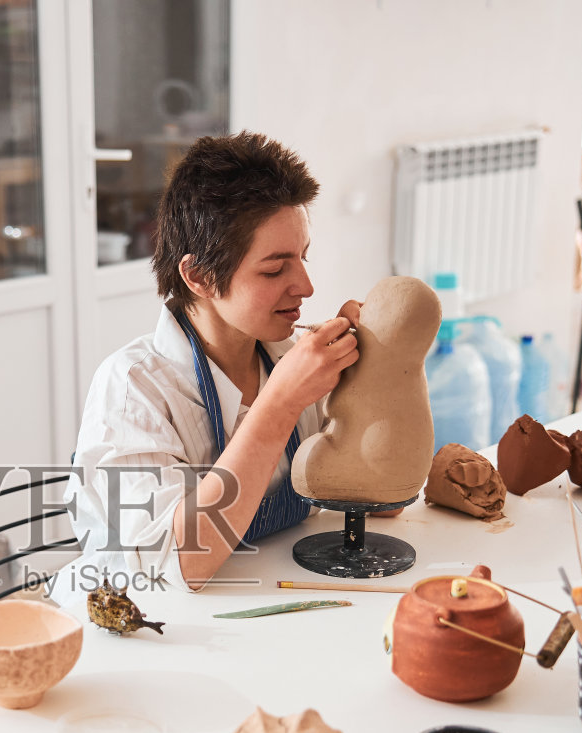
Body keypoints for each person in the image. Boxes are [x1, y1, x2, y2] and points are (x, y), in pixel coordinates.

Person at [59, 132, 358, 596]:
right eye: (274, 268)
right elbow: (178, 565)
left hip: (267, 591)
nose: (306, 286)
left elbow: (374, 502)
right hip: (145, 615)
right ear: (198, 276)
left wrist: (378, 367)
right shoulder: (134, 389)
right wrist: (280, 403)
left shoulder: (290, 356)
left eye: (303, 257)